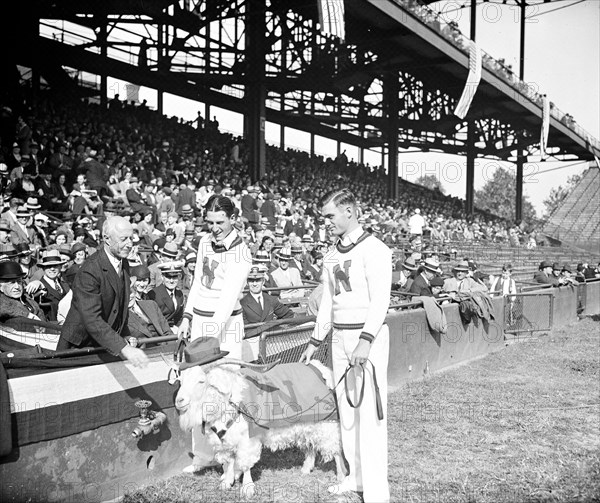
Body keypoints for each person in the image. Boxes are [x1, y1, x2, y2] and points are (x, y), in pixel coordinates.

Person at [299, 188, 392, 503]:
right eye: (324, 216)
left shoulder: (376, 249)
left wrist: (366, 341)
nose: (325, 222)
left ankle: (377, 493)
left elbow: (381, 299)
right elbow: (328, 301)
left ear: (350, 211)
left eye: (330, 216)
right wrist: (316, 339)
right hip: (338, 337)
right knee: (347, 411)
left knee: (370, 414)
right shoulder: (331, 254)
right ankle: (355, 478)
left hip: (368, 338)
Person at [177, 194, 252, 474]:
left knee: (224, 388)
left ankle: (233, 457)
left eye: (220, 222)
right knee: (194, 386)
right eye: (210, 222)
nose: (215, 228)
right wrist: (187, 316)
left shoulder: (241, 251)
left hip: (227, 327)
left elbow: (228, 297)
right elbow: (197, 281)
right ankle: (202, 455)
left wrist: (210, 337)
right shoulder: (204, 241)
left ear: (233, 219)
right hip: (200, 322)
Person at [57, 216, 149, 368]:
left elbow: (118, 307)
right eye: (123, 239)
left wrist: (124, 334)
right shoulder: (89, 270)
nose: (129, 244)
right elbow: (92, 320)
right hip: (78, 348)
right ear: (106, 238)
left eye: (131, 239)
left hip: (103, 345)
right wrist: (124, 348)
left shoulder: (122, 261)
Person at [148, 261, 185, 328]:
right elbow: (154, 321)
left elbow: (179, 317)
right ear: (162, 277)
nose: (171, 281)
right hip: (161, 333)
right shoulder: (154, 294)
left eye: (174, 277)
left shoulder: (179, 294)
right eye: (168, 277)